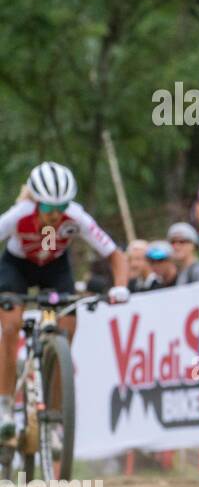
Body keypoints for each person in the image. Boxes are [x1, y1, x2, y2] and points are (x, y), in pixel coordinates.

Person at [0, 163, 131, 448]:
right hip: (17, 268)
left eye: (61, 206)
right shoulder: (19, 215)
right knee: (10, 326)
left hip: (54, 269)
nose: (55, 214)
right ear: (35, 201)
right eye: (48, 207)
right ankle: (5, 404)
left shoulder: (77, 217)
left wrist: (120, 286)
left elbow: (115, 254)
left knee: (66, 330)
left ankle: (55, 417)